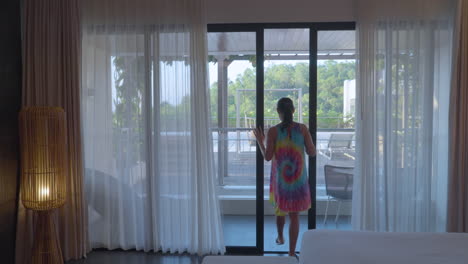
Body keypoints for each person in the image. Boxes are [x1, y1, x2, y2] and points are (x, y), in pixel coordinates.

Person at [253, 97, 316, 257]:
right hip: (298, 180)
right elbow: (312, 152)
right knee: (294, 215)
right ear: (293, 111)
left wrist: (260, 141)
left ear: (278, 112)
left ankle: (280, 236)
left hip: (281, 179)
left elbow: (267, 157)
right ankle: (291, 253)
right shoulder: (302, 129)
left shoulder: (273, 131)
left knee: (280, 209)